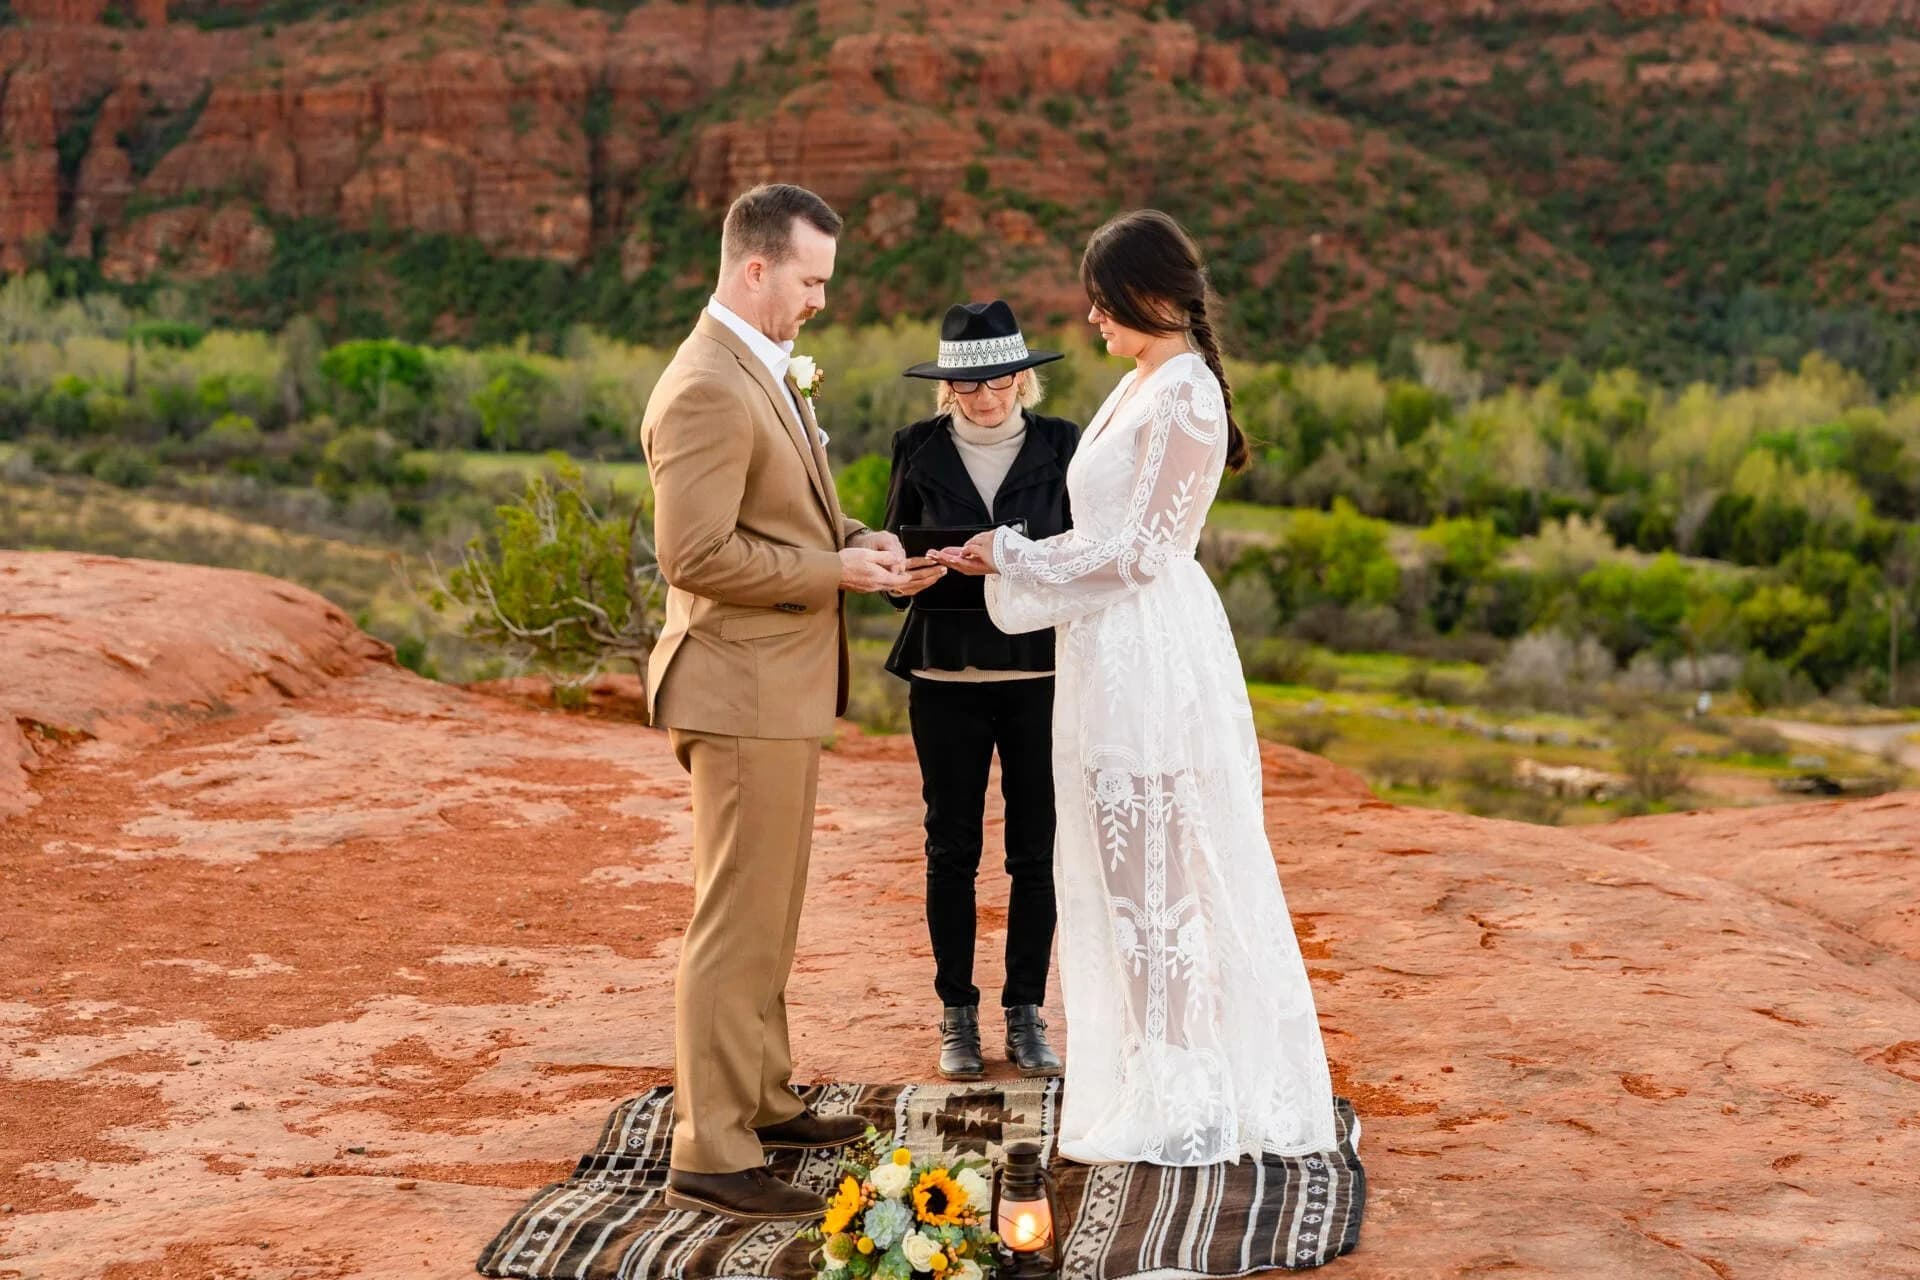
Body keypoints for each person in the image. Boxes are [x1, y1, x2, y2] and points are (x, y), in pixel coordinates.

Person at [934, 211, 1341, 1165]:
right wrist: (1004, 559)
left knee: (1159, 878)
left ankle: (1189, 1091)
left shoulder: (1187, 398)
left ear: (1151, 294)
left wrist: (1018, 558)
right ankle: (1158, 1075)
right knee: (1124, 877)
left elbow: (1144, 553)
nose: (1089, 315)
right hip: (1106, 647)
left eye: (1103, 297)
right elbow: (1109, 539)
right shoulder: (1138, 384)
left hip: (1152, 651)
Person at [641, 182, 941, 1219]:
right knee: (734, 917)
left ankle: (762, 1098)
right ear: (755, 266)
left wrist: (855, 538)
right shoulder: (705, 386)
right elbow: (694, 551)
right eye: (810, 280)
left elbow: (780, 511)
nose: (820, 298)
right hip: (738, 683)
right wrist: (833, 574)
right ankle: (711, 1146)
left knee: (771, 905)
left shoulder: (762, 367)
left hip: (777, 682)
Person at [887, 300, 1078, 1083]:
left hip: (1041, 674)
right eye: (968, 386)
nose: (986, 397)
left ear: (1024, 378)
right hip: (945, 674)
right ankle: (956, 1016)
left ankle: (1026, 1013)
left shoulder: (1067, 446)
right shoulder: (916, 449)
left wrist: (1018, 562)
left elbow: (1082, 553)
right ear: (947, 389)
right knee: (951, 848)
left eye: (999, 380)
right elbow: (894, 563)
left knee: (1036, 852)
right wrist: (913, 575)